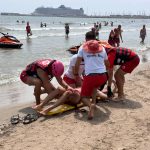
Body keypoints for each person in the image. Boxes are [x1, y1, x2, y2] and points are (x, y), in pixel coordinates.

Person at [75, 31, 109, 119]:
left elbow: (77, 63)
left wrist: (76, 74)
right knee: (94, 88)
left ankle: (91, 106)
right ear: (95, 38)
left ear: (86, 39)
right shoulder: (102, 47)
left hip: (91, 76)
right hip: (103, 76)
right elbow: (107, 64)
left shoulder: (82, 47)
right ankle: (93, 104)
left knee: (83, 97)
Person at [33, 86, 108, 115]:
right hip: (74, 95)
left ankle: (48, 108)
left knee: (66, 92)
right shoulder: (92, 88)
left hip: (76, 96)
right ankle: (43, 106)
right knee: (60, 89)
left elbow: (104, 96)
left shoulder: (96, 91)